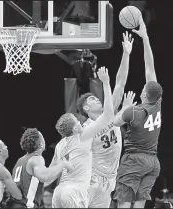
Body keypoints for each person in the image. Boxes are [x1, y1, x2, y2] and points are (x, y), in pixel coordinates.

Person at [76, 31, 134, 208]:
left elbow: (120, 83)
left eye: (96, 97)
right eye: (92, 99)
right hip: (93, 176)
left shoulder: (109, 115)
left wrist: (126, 54)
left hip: (110, 177)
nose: (97, 98)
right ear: (86, 108)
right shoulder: (86, 128)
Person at [113, 16, 163, 208]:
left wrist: (125, 107)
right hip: (153, 161)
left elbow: (115, 122)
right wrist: (145, 38)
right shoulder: (157, 103)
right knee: (140, 205)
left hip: (134, 159)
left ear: (144, 93)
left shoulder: (134, 112)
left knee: (125, 204)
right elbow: (150, 69)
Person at [51, 66, 114, 208]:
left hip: (59, 191)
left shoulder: (61, 144)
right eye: (76, 120)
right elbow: (109, 113)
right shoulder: (85, 134)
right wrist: (105, 82)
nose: (79, 121)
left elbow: (49, 175)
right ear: (74, 127)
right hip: (76, 190)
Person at [11, 128, 72, 208]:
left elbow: (40, 183)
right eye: (42, 137)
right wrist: (63, 165)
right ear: (41, 144)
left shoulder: (20, 161)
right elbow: (45, 177)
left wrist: (56, 161)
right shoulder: (36, 158)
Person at [0, 137, 22, 208]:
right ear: (0, 151)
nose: (6, 147)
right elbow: (18, 196)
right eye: (4, 145)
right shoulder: (0, 170)